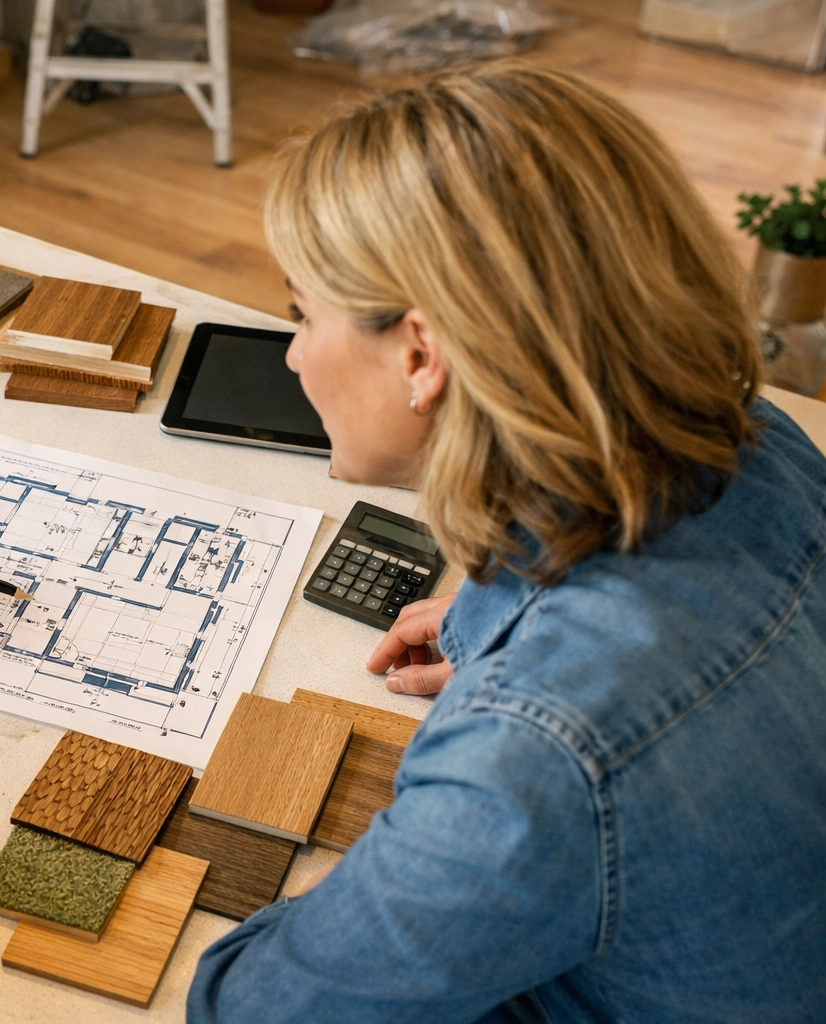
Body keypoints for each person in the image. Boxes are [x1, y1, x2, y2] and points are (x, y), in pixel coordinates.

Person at [189, 63, 826, 1022]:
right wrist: (516, 637)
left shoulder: (532, 763)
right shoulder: (761, 440)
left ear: (421, 356)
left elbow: (251, 1009)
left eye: (300, 315)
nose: (290, 355)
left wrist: (491, 787)